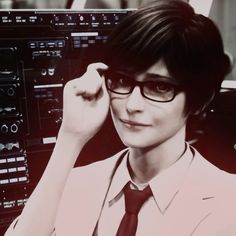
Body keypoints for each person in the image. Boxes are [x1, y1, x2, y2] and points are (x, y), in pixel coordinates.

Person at [5, 0, 236, 235]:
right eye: (123, 81)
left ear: (200, 98)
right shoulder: (75, 182)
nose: (132, 105)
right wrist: (70, 137)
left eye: (159, 87)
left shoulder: (228, 203)